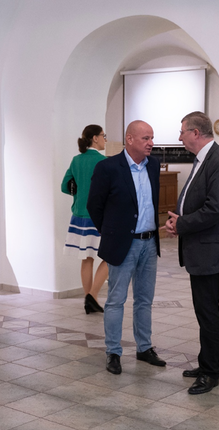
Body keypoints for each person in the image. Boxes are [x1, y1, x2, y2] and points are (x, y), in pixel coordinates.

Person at [165, 111, 219, 394]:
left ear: (196, 133)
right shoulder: (205, 159)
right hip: (205, 247)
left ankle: (210, 373)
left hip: (212, 249)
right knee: (207, 309)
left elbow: (216, 208)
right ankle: (215, 362)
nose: (179, 137)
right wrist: (180, 222)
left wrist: (182, 224)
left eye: (182, 131)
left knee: (207, 311)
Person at [87, 120, 165, 375]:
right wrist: (111, 233)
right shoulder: (108, 167)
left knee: (144, 299)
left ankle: (144, 348)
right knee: (116, 300)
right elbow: (94, 205)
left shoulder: (153, 165)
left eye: (151, 138)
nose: (151, 143)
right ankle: (113, 352)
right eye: (145, 138)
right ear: (129, 139)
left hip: (149, 243)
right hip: (123, 244)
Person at [61, 124, 108, 314]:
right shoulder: (103, 162)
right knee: (110, 257)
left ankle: (88, 299)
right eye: (103, 135)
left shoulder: (76, 160)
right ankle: (93, 296)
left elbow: (65, 186)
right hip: (98, 217)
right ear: (95, 138)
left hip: (79, 216)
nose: (105, 139)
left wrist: (80, 193)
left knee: (87, 258)